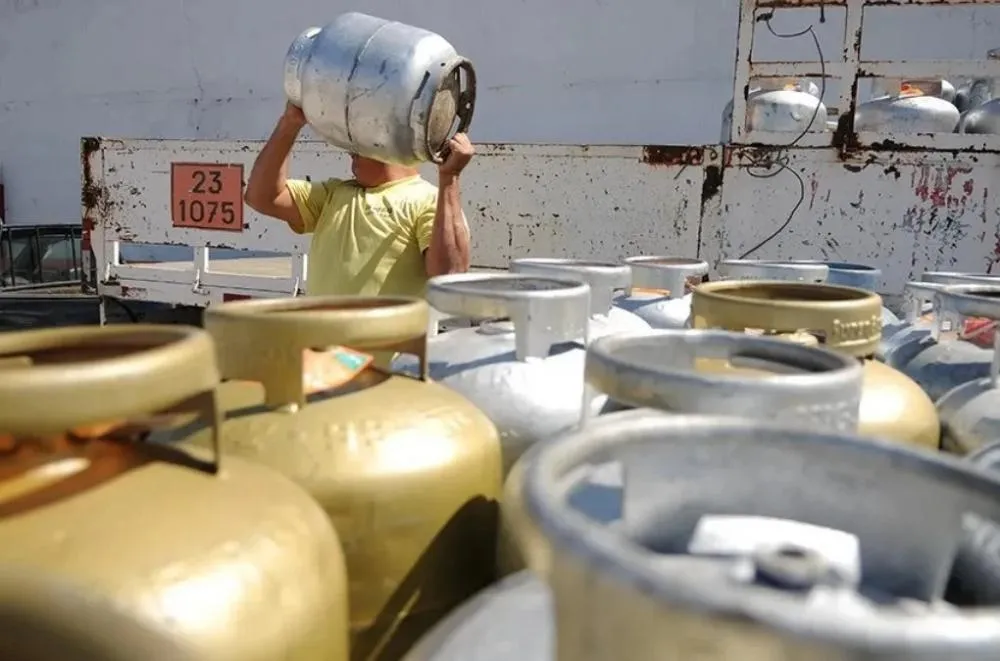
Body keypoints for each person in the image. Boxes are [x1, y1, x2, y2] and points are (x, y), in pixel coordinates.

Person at [244, 102, 473, 298]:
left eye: (361, 139)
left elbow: (450, 276)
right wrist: (289, 123)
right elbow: (261, 197)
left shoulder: (428, 200)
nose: (350, 150)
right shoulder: (333, 194)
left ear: (389, 144)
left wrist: (449, 177)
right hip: (323, 339)